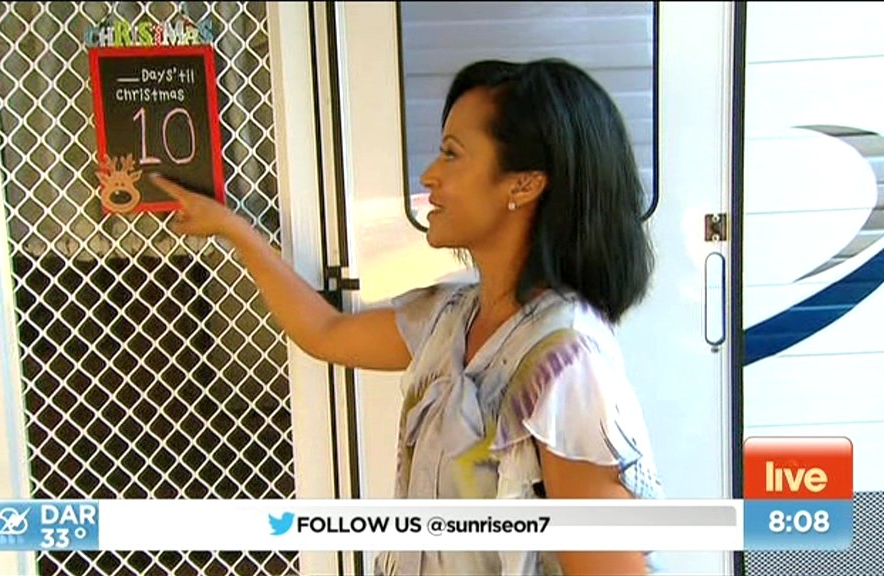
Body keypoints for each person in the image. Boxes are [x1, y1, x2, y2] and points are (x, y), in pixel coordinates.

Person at [151, 58, 663, 576]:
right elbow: (325, 333)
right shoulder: (450, 318)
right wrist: (232, 229)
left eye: (452, 153)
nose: (429, 175)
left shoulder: (566, 364)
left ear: (523, 185)